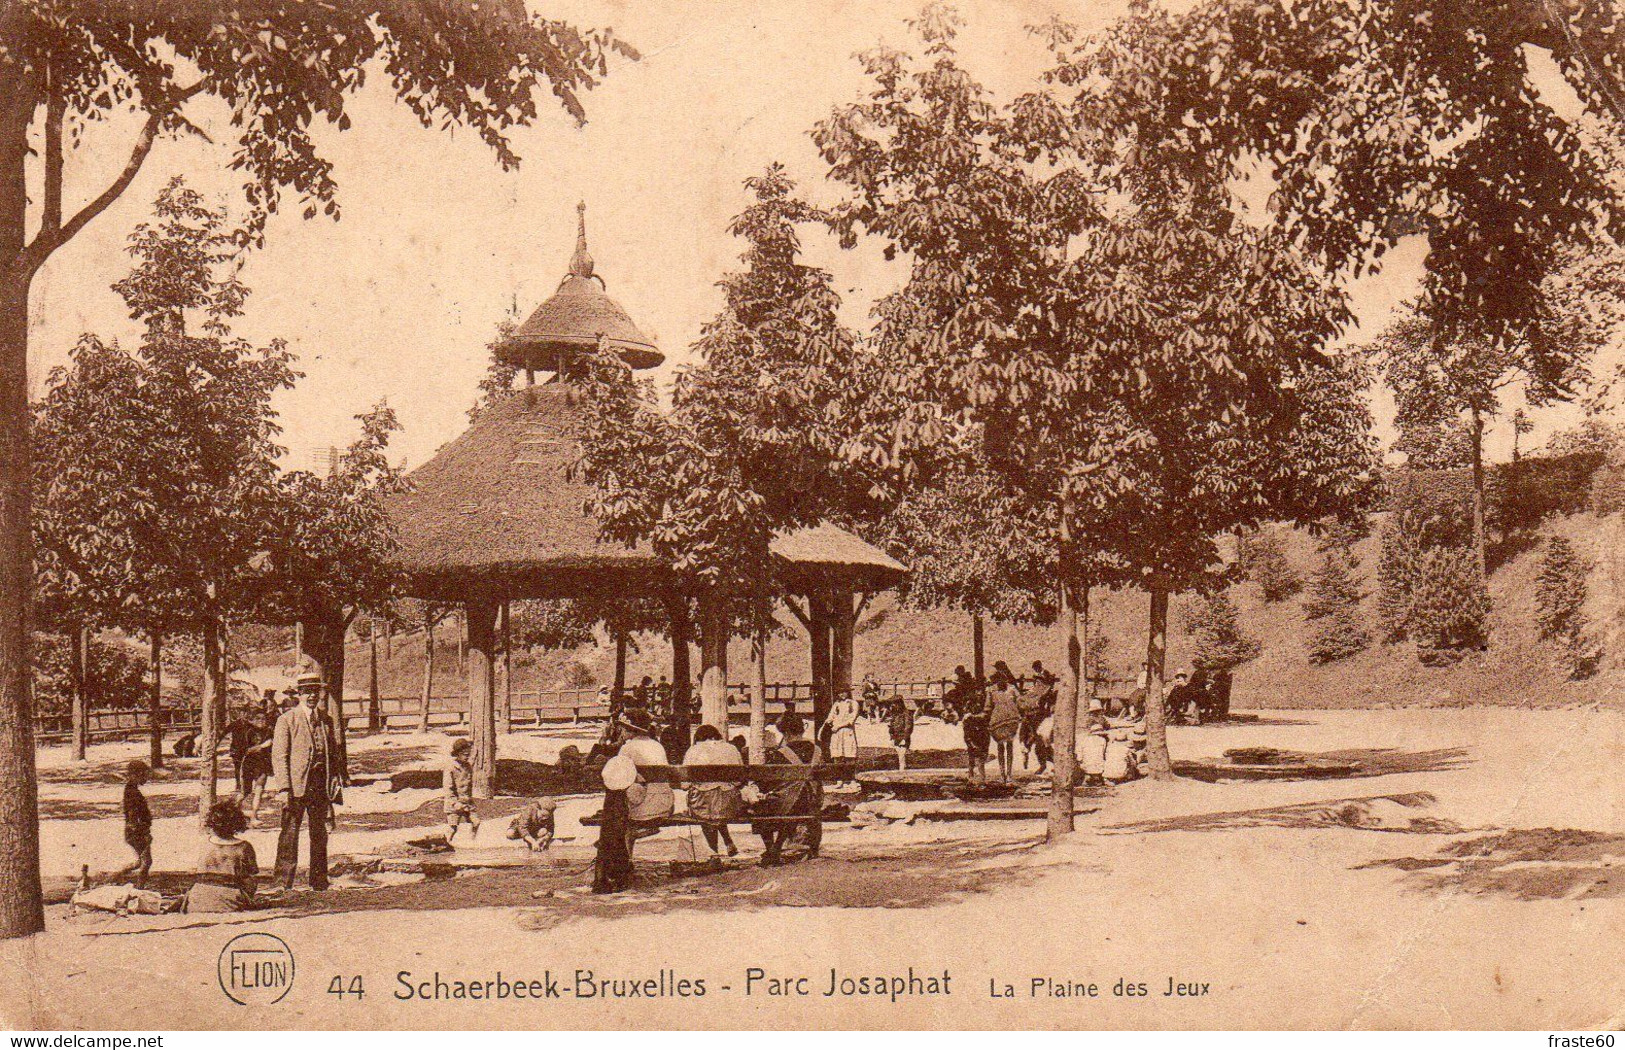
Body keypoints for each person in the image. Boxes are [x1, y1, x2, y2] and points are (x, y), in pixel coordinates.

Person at [271, 670, 342, 891]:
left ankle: (319, 880)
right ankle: (283, 882)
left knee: (319, 833)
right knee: (289, 833)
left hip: (320, 785)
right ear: (299, 694)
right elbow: (279, 755)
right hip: (296, 785)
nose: (311, 696)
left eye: (315, 692)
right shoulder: (286, 720)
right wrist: (284, 787)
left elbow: (333, 753)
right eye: (306, 692)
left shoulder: (326, 720)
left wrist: (335, 780)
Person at [753, 713, 822, 866]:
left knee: (760, 807)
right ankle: (776, 849)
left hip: (791, 802)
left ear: (786, 733)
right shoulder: (817, 750)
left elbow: (766, 783)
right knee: (788, 805)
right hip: (813, 799)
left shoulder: (781, 753)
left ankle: (773, 849)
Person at [616, 708, 674, 858]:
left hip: (642, 809)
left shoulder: (627, 749)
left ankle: (626, 859)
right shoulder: (657, 746)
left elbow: (619, 780)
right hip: (664, 804)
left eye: (623, 728)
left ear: (631, 730)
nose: (621, 731)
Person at [184, 800, 259, 913]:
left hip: (197, 900)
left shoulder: (205, 844)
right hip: (229, 901)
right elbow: (250, 876)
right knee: (250, 879)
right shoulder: (244, 847)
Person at [682, 725, 743, 859]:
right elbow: (739, 782)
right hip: (729, 805)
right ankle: (727, 842)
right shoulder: (732, 749)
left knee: (707, 808)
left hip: (704, 806)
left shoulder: (693, 751)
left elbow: (684, 785)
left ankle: (713, 853)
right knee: (717, 804)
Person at [120, 760, 153, 888]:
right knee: (146, 862)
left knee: (140, 862)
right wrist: (142, 833)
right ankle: (139, 889)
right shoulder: (132, 792)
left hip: (134, 831)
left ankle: (118, 874)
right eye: (143, 775)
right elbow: (133, 814)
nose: (146, 778)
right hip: (136, 832)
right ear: (135, 775)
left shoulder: (131, 789)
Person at [444, 738, 480, 845]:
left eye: (468, 754)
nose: (467, 756)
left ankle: (472, 842)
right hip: (454, 803)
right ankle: (446, 843)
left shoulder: (468, 766)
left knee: (476, 822)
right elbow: (448, 788)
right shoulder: (450, 767)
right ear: (458, 754)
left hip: (467, 801)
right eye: (465, 754)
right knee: (453, 827)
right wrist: (455, 803)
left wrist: (468, 801)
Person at [239, 709, 274, 819]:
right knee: (245, 792)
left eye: (263, 718)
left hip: (263, 764)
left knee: (259, 790)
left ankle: (254, 815)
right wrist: (262, 746)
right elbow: (245, 750)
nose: (261, 721)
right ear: (252, 720)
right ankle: (234, 809)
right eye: (257, 718)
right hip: (249, 764)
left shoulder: (269, 731)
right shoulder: (248, 732)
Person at [987, 674, 1022, 783]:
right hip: (997, 722)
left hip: (1011, 721)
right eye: (998, 680)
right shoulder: (991, 691)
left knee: (1010, 746)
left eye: (1003, 679)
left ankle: (1009, 774)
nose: (1000, 682)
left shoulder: (1012, 689)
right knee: (1000, 747)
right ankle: (1002, 775)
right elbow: (988, 706)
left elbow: (1020, 702)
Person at [961, 687, 991, 783]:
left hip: (981, 731)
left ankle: (980, 776)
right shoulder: (970, 703)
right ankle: (972, 774)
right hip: (973, 731)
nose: (979, 694)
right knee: (972, 754)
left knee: (980, 756)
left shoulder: (984, 701)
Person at [823, 689, 860, 762]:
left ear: (848, 692)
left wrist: (838, 726)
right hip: (836, 732)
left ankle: (849, 770)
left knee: (849, 753)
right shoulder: (837, 704)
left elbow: (851, 720)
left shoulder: (853, 703)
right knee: (837, 754)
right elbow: (831, 715)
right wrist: (828, 722)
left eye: (844, 692)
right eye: (839, 693)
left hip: (847, 731)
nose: (842, 694)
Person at [1079, 699, 1109, 787]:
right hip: (1102, 737)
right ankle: (1098, 778)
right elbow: (1108, 726)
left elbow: (1087, 728)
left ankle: (1089, 777)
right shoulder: (1102, 719)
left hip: (1091, 737)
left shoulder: (1089, 719)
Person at [886, 697, 915, 772]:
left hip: (903, 737)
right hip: (896, 736)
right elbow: (892, 726)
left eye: (894, 704)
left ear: (899, 704)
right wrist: (891, 736)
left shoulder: (907, 713)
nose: (892, 706)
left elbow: (908, 727)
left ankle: (902, 769)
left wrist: (904, 738)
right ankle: (903, 767)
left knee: (901, 754)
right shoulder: (895, 714)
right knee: (899, 752)